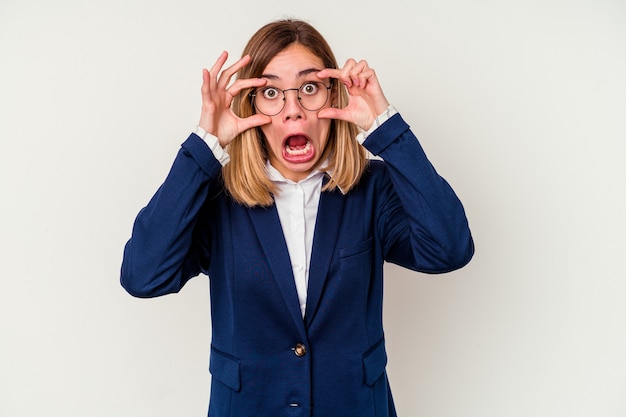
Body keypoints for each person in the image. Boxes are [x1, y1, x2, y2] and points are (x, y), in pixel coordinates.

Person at [121, 18, 474, 417]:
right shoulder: (218, 195)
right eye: (271, 92)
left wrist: (385, 129)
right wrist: (206, 146)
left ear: (334, 97)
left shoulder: (372, 189)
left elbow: (451, 249)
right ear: (251, 106)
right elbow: (143, 276)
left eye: (309, 89)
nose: (293, 111)